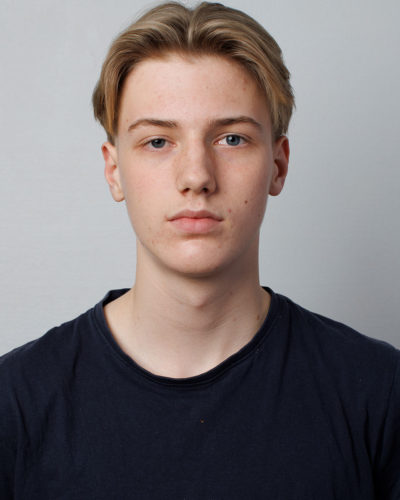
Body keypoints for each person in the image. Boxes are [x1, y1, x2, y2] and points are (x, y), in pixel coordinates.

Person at [0, 1, 399, 498]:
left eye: (231, 138)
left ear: (278, 165)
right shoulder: (14, 403)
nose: (196, 176)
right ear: (113, 170)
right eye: (157, 142)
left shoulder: (379, 393)